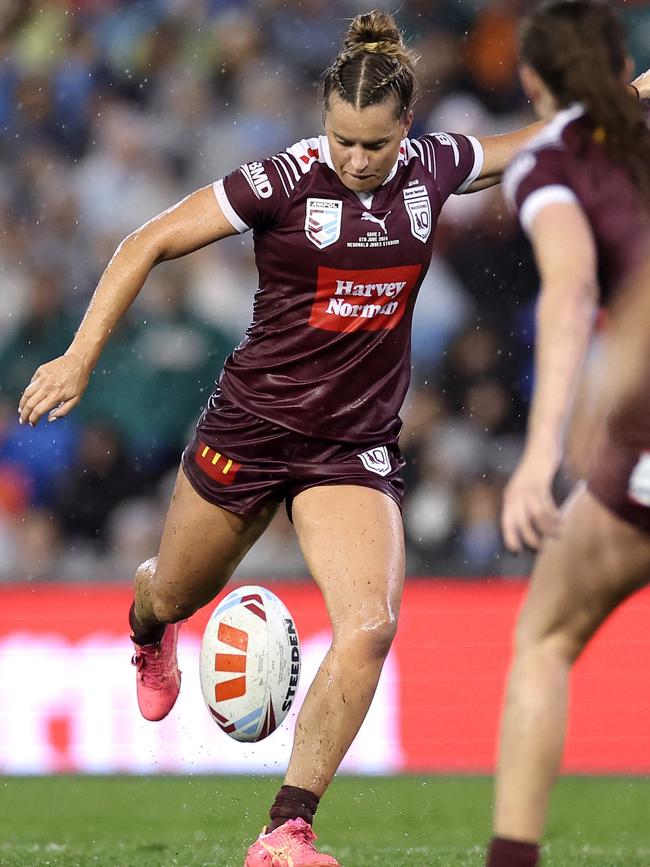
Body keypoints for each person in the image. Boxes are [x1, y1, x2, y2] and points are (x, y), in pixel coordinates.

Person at [14, 9, 604, 867]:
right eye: (341, 140)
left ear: (407, 127)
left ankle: (285, 829)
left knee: (368, 627)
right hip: (250, 430)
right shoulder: (282, 180)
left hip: (350, 449)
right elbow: (150, 239)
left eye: (372, 143)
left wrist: (622, 102)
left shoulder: (435, 168)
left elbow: (536, 141)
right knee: (177, 591)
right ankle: (149, 624)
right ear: (323, 122)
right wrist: (77, 356)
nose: (355, 159)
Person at [485, 3, 650, 866]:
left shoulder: (548, 162)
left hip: (642, 445)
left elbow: (569, 288)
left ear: (531, 84)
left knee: (546, 638)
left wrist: (542, 450)